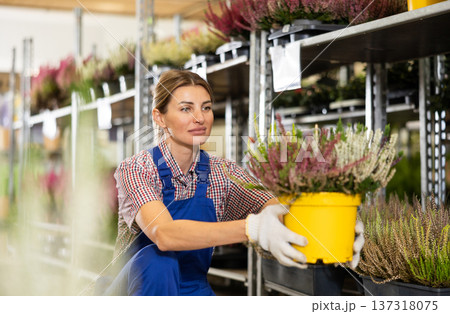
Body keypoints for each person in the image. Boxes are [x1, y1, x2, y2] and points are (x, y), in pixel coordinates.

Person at [103, 69, 364, 296]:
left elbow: (278, 210)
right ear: (159, 118)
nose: (200, 117)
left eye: (206, 107)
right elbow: (164, 235)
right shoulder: (137, 168)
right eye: (186, 108)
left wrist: (336, 224)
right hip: (132, 293)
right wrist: (251, 228)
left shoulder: (222, 173)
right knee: (158, 261)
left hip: (193, 291)